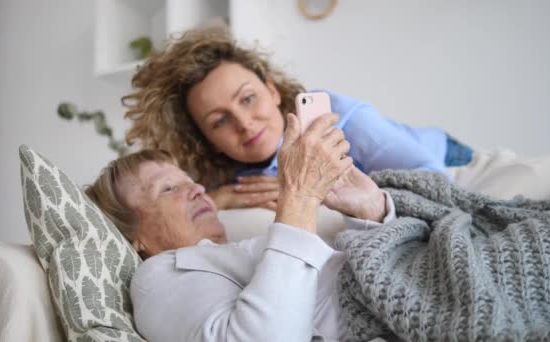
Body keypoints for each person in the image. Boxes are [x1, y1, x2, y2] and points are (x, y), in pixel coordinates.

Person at [85, 113, 397, 341]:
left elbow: (366, 279)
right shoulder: (156, 276)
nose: (197, 190)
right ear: (133, 236)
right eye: (167, 189)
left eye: (190, 181)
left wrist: (371, 212)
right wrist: (299, 197)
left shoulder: (242, 250)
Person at [122, 25, 473, 211]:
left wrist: (306, 191)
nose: (244, 123)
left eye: (248, 98)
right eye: (219, 121)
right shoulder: (220, 168)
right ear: (205, 138)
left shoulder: (339, 117)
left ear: (273, 92)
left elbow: (434, 181)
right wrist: (221, 199)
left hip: (442, 154)